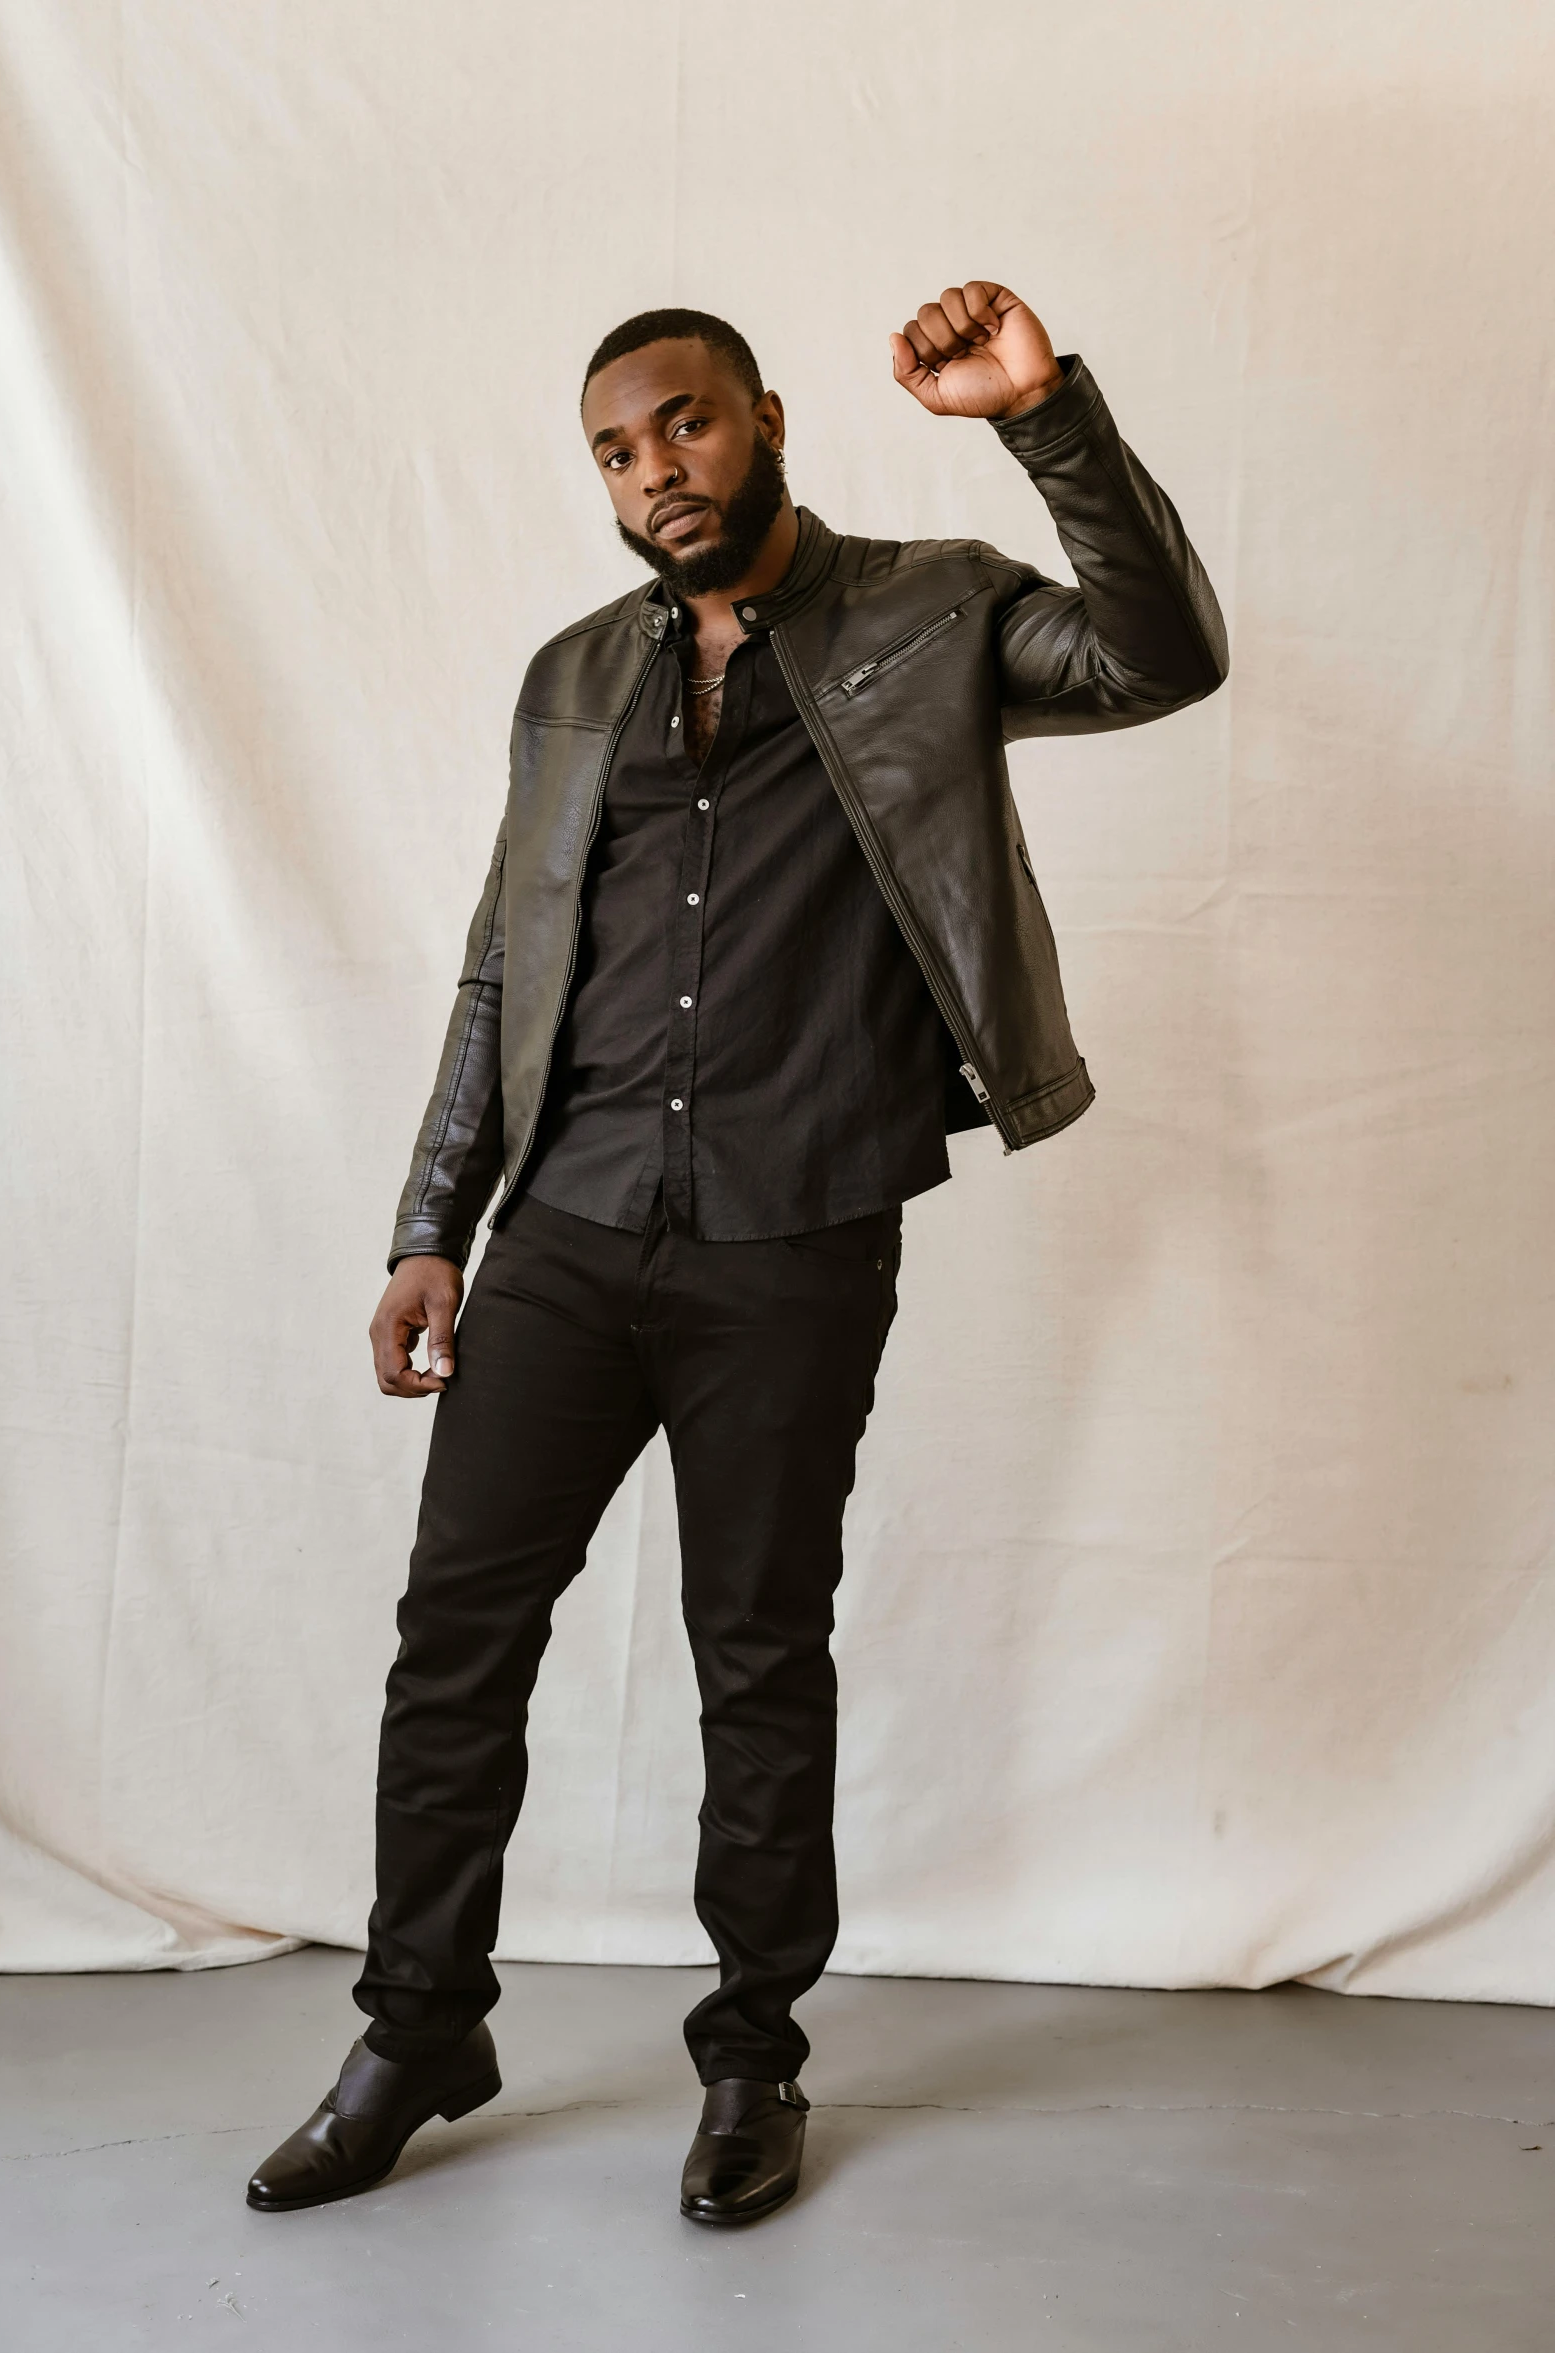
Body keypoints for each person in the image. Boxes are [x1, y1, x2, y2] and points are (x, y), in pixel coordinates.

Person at [247, 282, 1227, 2223]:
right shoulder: (570, 677)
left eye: (683, 426)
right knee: (456, 1645)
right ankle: (418, 2024)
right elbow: (502, 964)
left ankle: (754, 2057)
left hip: (794, 1234)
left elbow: (1159, 655)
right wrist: (434, 1222)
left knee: (755, 1652)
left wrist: (1045, 419)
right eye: (616, 449)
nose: (654, 471)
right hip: (569, 1231)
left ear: (763, 418)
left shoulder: (928, 613)